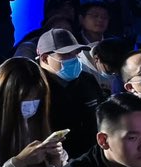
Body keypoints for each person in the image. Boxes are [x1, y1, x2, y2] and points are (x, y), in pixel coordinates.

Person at [35, 28, 105, 157]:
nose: (74, 59)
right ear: (45, 58)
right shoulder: (34, 88)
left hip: (92, 157)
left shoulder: (87, 80)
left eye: (76, 53)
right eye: (66, 55)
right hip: (53, 161)